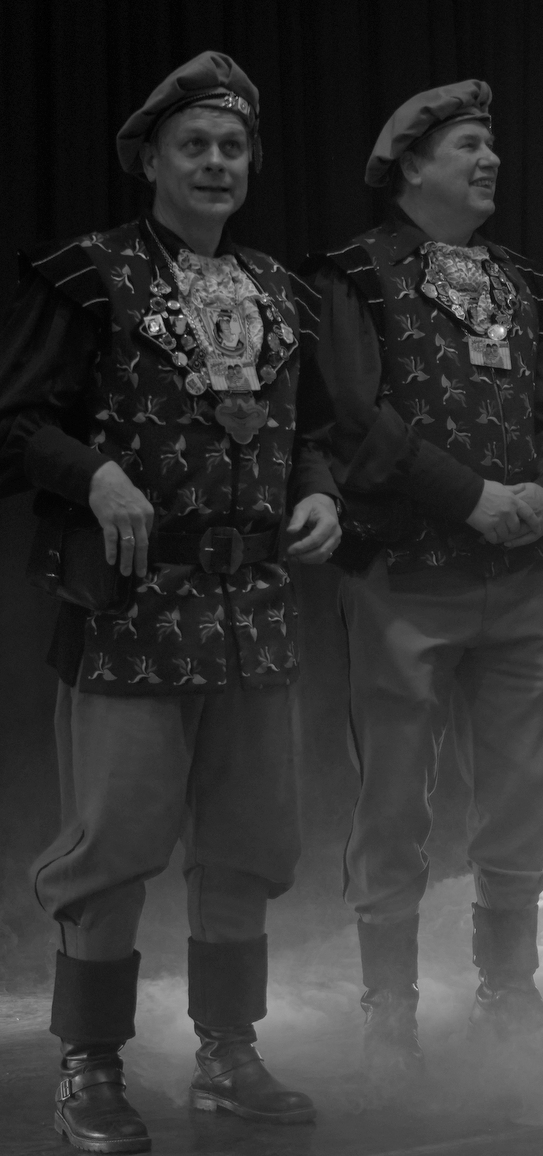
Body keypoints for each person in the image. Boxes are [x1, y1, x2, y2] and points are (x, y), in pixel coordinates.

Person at [0, 52, 339, 1151]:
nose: (215, 162)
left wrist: (320, 492)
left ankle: (228, 1055)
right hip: (133, 612)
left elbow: (315, 429)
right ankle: (89, 1070)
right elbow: (14, 421)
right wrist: (95, 474)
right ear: (150, 161)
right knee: (114, 847)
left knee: (249, 844)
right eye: (193, 145)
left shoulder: (282, 291)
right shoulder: (89, 277)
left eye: (233, 146)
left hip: (255, 611)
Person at [303, 81, 543, 1076]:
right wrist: (469, 496)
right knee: (394, 798)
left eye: (491, 144)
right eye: (469, 143)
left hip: (518, 578)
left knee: (527, 789)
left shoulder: (521, 281)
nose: (490, 158)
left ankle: (508, 986)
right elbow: (353, 416)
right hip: (404, 574)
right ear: (411, 164)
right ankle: (390, 1006)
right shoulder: (353, 275)